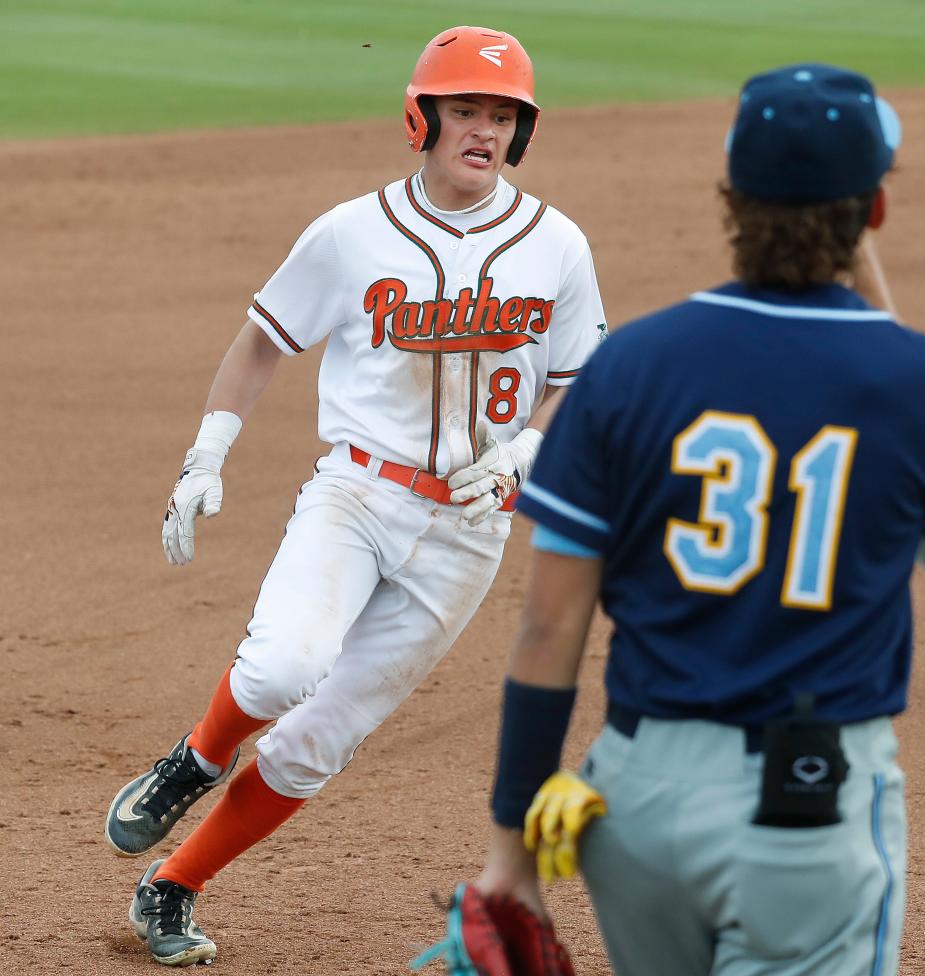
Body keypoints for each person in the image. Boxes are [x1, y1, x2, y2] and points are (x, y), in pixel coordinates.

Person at [103, 25, 606, 967]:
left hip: (468, 531)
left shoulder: (558, 245)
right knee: (279, 671)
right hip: (357, 495)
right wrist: (207, 457)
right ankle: (197, 759)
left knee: (312, 748)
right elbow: (264, 340)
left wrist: (526, 455)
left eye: (503, 116)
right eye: (467, 110)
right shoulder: (352, 232)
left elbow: (578, 376)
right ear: (423, 116)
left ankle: (172, 886)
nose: (484, 131)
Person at [474, 63, 925, 976]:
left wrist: (511, 849)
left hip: (634, 808)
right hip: (804, 821)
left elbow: (548, 627)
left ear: (732, 199)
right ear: (875, 215)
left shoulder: (629, 369)